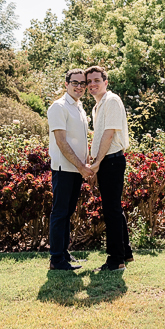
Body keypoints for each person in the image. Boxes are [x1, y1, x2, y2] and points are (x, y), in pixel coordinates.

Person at [86, 65, 134, 271]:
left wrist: (97, 163)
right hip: (106, 160)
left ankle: (116, 260)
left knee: (111, 210)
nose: (92, 84)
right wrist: (94, 158)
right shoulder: (97, 107)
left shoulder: (112, 100)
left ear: (106, 82)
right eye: (89, 81)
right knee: (114, 208)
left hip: (112, 161)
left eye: (96, 80)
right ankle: (126, 253)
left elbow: (110, 134)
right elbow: (98, 137)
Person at [47, 68, 94, 271]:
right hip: (64, 169)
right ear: (66, 84)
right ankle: (56, 260)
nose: (79, 87)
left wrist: (87, 166)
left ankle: (64, 254)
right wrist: (81, 167)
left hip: (76, 169)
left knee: (67, 213)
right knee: (59, 214)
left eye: (83, 83)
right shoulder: (58, 107)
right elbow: (61, 142)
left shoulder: (79, 108)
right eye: (75, 82)